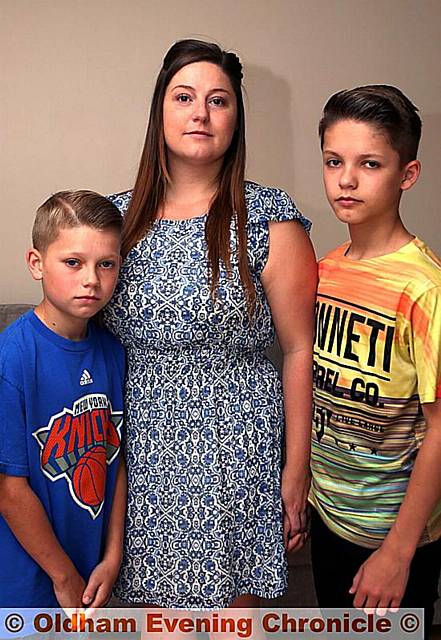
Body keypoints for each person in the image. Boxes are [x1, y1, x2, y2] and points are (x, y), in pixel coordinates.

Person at [105, 38, 317, 609]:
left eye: (219, 101)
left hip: (238, 460)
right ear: (161, 111)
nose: (200, 113)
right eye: (184, 97)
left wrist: (295, 476)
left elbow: (301, 350)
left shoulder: (271, 218)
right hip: (141, 461)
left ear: (236, 119)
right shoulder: (112, 220)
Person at [309, 85, 441, 634]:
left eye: (369, 164)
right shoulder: (324, 268)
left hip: (393, 535)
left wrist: (398, 552)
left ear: (406, 174)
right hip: (326, 516)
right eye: (334, 161)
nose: (346, 179)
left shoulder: (423, 287)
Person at [0, 190, 127, 609]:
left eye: (105, 264)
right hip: (30, 582)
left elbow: (118, 459)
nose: (91, 278)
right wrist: (63, 576)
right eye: (73, 262)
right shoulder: (13, 358)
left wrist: (111, 557)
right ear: (37, 263)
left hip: (93, 573)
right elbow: (9, 489)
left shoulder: (114, 352)